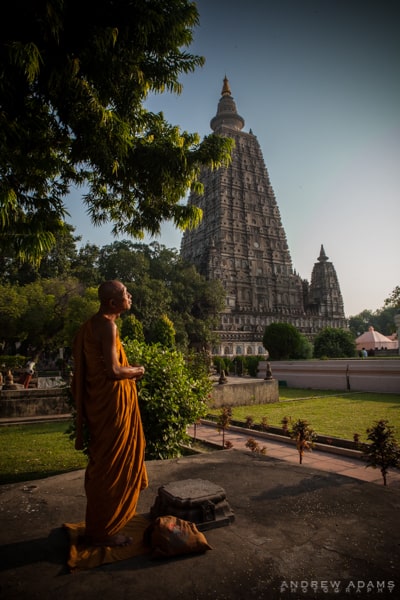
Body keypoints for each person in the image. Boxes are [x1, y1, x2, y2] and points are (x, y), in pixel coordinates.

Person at [71, 280, 148, 547]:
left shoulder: (90, 326)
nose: (130, 296)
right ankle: (104, 531)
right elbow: (114, 372)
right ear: (114, 303)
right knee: (111, 465)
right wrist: (137, 370)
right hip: (112, 405)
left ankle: (99, 524)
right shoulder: (108, 325)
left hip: (99, 404)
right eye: (125, 294)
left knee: (103, 462)